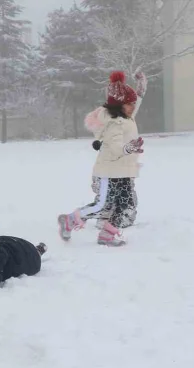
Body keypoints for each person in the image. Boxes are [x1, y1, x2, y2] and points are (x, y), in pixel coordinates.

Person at [58, 71, 146, 246]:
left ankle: (107, 234)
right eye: (130, 104)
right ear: (120, 105)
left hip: (124, 171)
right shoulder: (114, 123)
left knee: (125, 204)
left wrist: (141, 85)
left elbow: (138, 99)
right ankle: (69, 220)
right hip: (109, 171)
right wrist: (129, 148)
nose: (133, 106)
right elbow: (114, 149)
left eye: (133, 103)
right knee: (102, 205)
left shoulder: (127, 117)